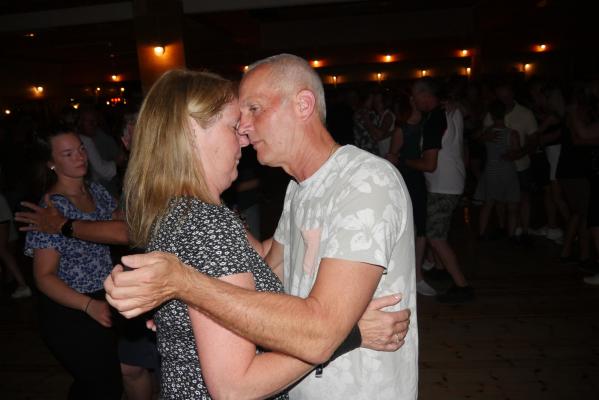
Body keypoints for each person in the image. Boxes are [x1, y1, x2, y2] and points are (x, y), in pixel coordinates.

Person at [104, 54, 418, 399]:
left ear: (303, 105)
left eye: (254, 109)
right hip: (300, 383)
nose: (244, 130)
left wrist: (183, 290)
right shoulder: (293, 191)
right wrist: (181, 309)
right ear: (191, 133)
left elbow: (262, 272)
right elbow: (267, 265)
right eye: (235, 121)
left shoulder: (365, 181)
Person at [24, 125, 123, 399]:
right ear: (51, 163)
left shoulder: (95, 191)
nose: (80, 157)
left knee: (101, 383)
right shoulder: (51, 208)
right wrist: (88, 305)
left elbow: (123, 224)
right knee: (101, 385)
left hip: (103, 297)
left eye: (81, 149)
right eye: (68, 154)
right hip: (70, 308)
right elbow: (44, 276)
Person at [478, 100, 521, 239]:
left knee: (488, 204)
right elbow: (516, 153)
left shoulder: (487, 133)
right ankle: (511, 236)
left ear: (491, 114)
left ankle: (481, 234)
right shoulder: (512, 134)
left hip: (491, 171)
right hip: (507, 171)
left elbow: (478, 141)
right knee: (512, 206)